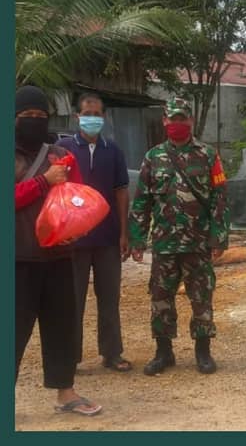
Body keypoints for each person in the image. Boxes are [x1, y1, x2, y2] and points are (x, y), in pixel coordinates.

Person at [15, 84, 102, 417]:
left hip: (58, 257)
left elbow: (78, 198)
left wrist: (75, 230)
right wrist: (43, 181)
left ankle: (66, 393)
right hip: (17, 258)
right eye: (27, 116)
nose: (35, 121)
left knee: (62, 328)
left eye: (41, 115)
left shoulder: (59, 154)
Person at [128, 97, 230, 375]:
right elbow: (141, 202)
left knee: (201, 297)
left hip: (197, 243)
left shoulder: (208, 155)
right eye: (173, 119)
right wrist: (137, 239)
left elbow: (219, 198)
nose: (177, 123)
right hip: (164, 243)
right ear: (165, 121)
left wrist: (219, 237)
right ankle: (163, 352)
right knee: (160, 297)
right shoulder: (153, 157)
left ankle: (203, 352)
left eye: (182, 118)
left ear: (190, 121)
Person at [59, 91, 132, 374]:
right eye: (87, 114)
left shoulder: (113, 150)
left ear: (104, 118)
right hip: (73, 240)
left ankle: (112, 353)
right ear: (77, 116)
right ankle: (69, 357)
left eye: (97, 115)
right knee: (71, 300)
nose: (92, 119)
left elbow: (121, 191)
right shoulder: (63, 150)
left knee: (109, 298)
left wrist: (124, 233)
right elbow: (57, 194)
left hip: (107, 239)